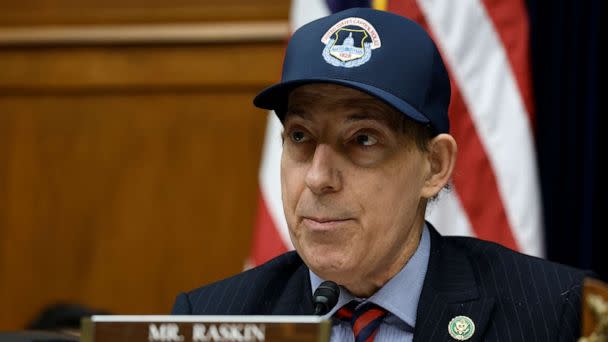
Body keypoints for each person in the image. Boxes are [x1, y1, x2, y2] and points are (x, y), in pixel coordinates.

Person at [172, 7, 592, 341]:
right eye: (300, 136)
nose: (318, 178)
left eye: (363, 140)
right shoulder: (211, 321)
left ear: (435, 166)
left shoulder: (554, 314)